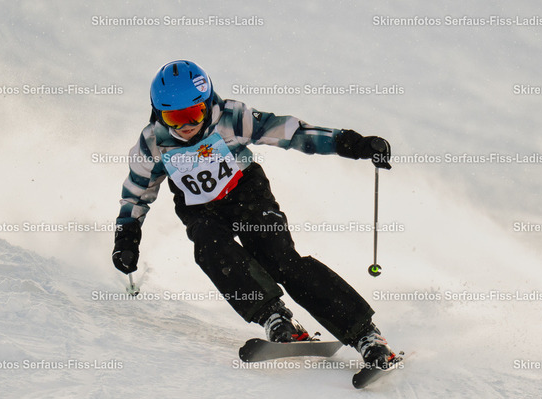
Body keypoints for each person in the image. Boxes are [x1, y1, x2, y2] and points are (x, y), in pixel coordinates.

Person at [112, 60, 396, 367]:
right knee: (210, 247)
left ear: (208, 105)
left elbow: (292, 133)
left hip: (247, 195)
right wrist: (127, 237)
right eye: (173, 118)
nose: (185, 126)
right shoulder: (152, 142)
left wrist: (352, 144)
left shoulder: (232, 118)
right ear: (158, 113)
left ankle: (365, 335)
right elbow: (136, 193)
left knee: (280, 260)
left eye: (193, 114)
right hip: (200, 208)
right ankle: (274, 316)